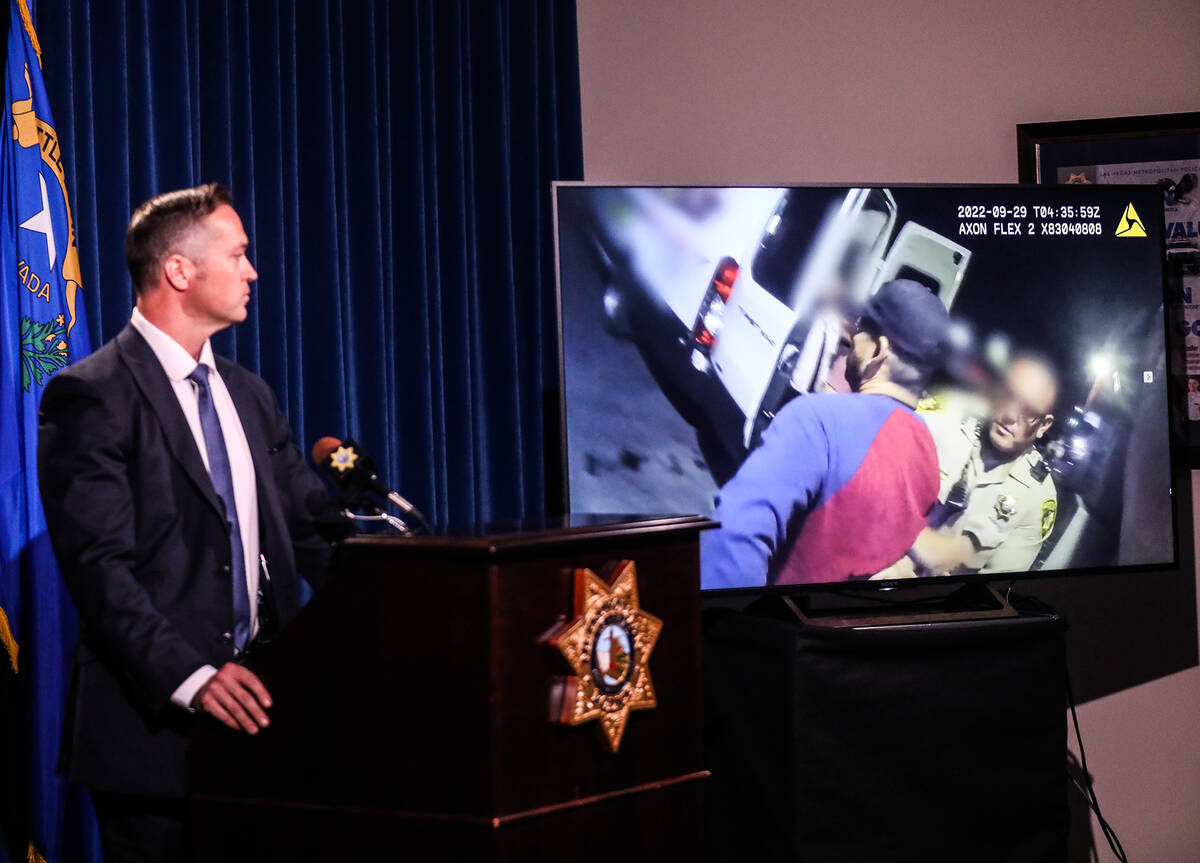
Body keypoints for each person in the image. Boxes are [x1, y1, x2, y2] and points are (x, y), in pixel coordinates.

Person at [38, 183, 345, 862]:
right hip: (151, 741)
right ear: (179, 269)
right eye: (238, 254)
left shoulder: (250, 394)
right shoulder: (90, 395)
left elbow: (311, 532)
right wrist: (195, 676)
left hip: (266, 725)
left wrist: (402, 590)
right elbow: (100, 570)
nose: (252, 271)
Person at [701, 279, 949, 589]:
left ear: (879, 352)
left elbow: (732, 542)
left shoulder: (819, 420)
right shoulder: (928, 460)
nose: (852, 337)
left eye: (861, 328)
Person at [881, 353, 1059, 578]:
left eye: (1028, 412)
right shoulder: (945, 419)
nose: (1010, 415)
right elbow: (872, 489)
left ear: (1044, 425)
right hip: (881, 562)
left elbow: (995, 586)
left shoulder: (1037, 497)